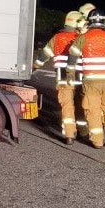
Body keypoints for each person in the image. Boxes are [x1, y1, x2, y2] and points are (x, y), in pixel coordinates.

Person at [68, 9, 105, 149]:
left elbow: (72, 57)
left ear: (90, 22)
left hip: (91, 81)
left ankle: (98, 141)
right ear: (104, 22)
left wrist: (70, 75)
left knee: (92, 110)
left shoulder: (83, 38)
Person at [34, 11, 83, 144]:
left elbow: (44, 55)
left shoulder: (57, 38)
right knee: (81, 104)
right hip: (80, 77)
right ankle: (83, 132)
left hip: (63, 77)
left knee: (67, 105)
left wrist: (35, 66)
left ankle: (69, 135)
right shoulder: (81, 37)